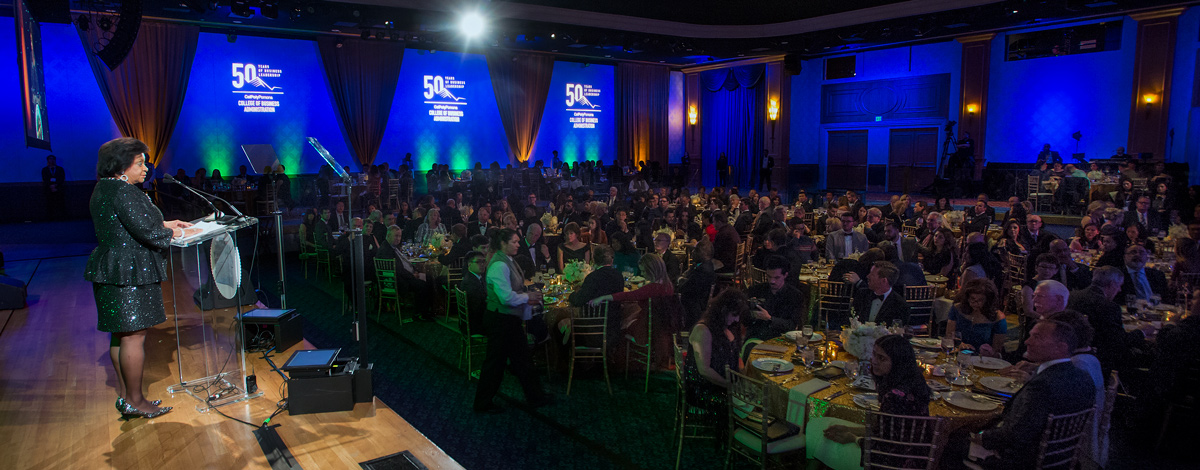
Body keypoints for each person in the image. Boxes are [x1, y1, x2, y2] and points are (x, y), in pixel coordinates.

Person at [87, 137, 199, 419]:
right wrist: (184, 233)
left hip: (112, 268)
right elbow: (146, 232)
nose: (146, 168)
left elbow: (125, 224)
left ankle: (127, 398)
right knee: (134, 336)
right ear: (122, 166)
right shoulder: (124, 192)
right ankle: (137, 401)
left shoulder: (105, 188)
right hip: (129, 271)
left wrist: (167, 224)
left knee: (121, 334)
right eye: (140, 163)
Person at [964, 320, 1096, 470]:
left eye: (1037, 337)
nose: (1027, 341)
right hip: (1060, 460)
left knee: (952, 443)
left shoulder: (1042, 385)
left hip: (1021, 461)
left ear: (1061, 348)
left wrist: (980, 436)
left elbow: (1016, 434)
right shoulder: (1084, 378)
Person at [808, 335, 931, 470]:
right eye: (874, 355)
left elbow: (884, 448)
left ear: (897, 362)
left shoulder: (894, 397)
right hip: (917, 458)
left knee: (823, 436)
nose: (874, 361)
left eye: (881, 358)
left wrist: (853, 438)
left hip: (891, 463)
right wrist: (851, 429)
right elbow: (888, 432)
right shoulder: (915, 381)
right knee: (826, 426)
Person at [473, 229, 553, 413]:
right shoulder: (499, 265)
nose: (518, 244)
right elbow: (506, 298)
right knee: (495, 364)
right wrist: (527, 296)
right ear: (503, 244)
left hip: (508, 320)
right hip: (500, 320)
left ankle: (536, 397)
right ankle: (482, 403)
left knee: (522, 360)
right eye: (515, 242)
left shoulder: (508, 260)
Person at [685, 288, 748, 420]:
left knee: (754, 399)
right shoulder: (703, 330)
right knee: (746, 408)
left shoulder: (729, 327)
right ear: (723, 311)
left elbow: (737, 356)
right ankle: (731, 437)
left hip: (723, 384)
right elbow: (704, 370)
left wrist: (742, 375)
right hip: (705, 389)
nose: (737, 320)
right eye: (734, 314)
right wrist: (729, 386)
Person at [375, 225, 435, 321]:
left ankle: (428, 309)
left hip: (404, 277)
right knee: (422, 285)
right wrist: (412, 276)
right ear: (388, 235)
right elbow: (398, 270)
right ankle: (419, 313)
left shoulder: (392, 247)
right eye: (396, 236)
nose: (398, 238)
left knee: (429, 278)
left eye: (399, 236)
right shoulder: (386, 250)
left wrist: (415, 271)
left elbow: (404, 263)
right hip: (397, 282)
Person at [744, 255, 805, 341]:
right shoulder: (757, 290)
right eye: (769, 277)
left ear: (785, 275)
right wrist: (751, 312)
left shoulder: (794, 295)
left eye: (777, 278)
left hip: (781, 338)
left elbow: (793, 325)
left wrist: (769, 319)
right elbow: (744, 320)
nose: (772, 281)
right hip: (756, 336)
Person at [946, 279, 1008, 357]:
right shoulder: (957, 309)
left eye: (980, 300)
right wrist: (960, 345)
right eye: (972, 299)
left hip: (983, 360)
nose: (975, 303)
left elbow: (997, 350)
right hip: (958, 355)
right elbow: (949, 336)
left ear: (988, 300)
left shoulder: (998, 318)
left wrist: (989, 352)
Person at [850, 261, 910, 327]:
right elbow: (849, 319)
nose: (868, 276)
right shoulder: (861, 295)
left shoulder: (900, 305)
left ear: (884, 281)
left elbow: (898, 333)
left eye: (872, 275)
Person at [677, 239, 717, 329]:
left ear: (702, 253)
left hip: (693, 306)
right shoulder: (702, 265)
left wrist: (680, 281)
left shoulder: (703, 271)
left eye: (695, 250)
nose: (693, 252)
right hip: (694, 300)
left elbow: (688, 288)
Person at [457, 250, 488, 335]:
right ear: (469, 264)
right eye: (478, 262)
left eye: (483, 261)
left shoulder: (478, 277)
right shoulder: (470, 283)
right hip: (475, 324)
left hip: (476, 320)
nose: (482, 264)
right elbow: (478, 309)